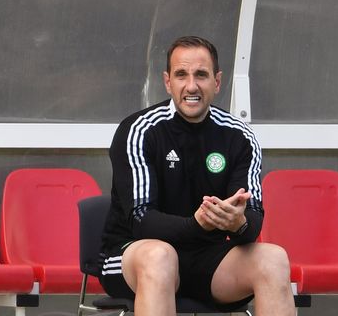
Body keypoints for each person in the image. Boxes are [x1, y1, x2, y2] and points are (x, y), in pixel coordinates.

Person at [99, 36, 295, 315]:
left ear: (217, 81)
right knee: (160, 256)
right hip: (132, 255)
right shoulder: (140, 130)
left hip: (206, 260)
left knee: (273, 259)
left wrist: (238, 223)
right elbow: (142, 221)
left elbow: (251, 223)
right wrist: (197, 225)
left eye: (201, 75)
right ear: (168, 82)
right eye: (181, 75)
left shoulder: (239, 136)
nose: (191, 86)